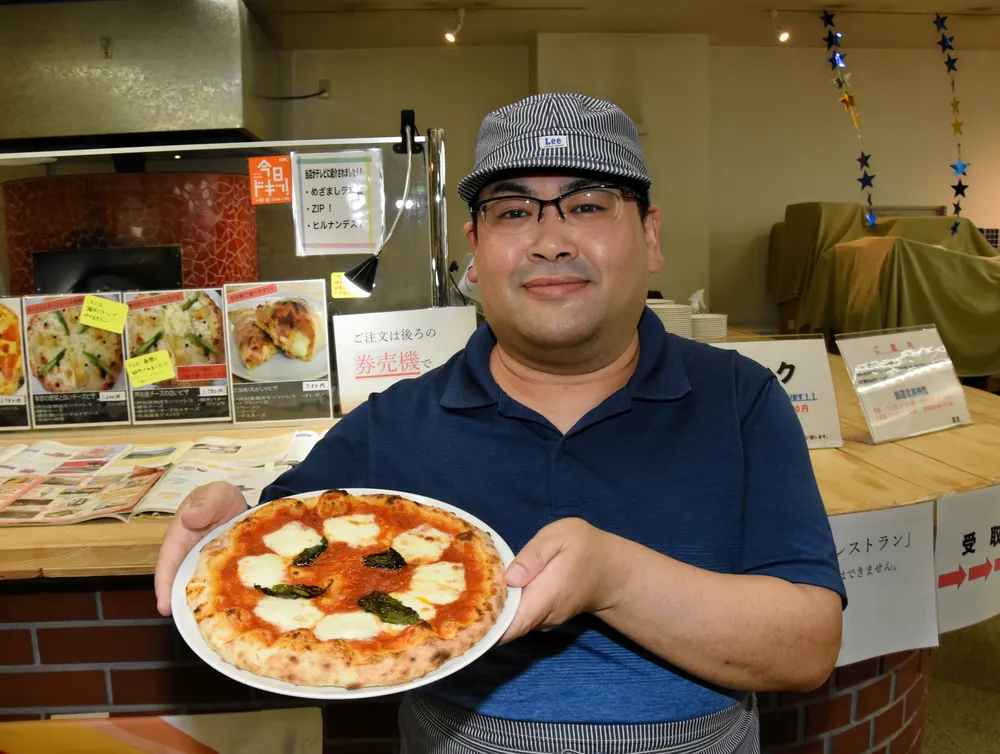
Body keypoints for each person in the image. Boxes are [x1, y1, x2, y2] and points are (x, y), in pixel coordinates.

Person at [155, 92, 846, 754]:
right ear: (475, 253)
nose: (549, 240)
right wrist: (226, 520)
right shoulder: (398, 419)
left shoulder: (740, 398)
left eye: (586, 205)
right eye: (513, 212)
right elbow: (274, 556)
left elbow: (807, 649)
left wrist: (615, 578)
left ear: (651, 235)